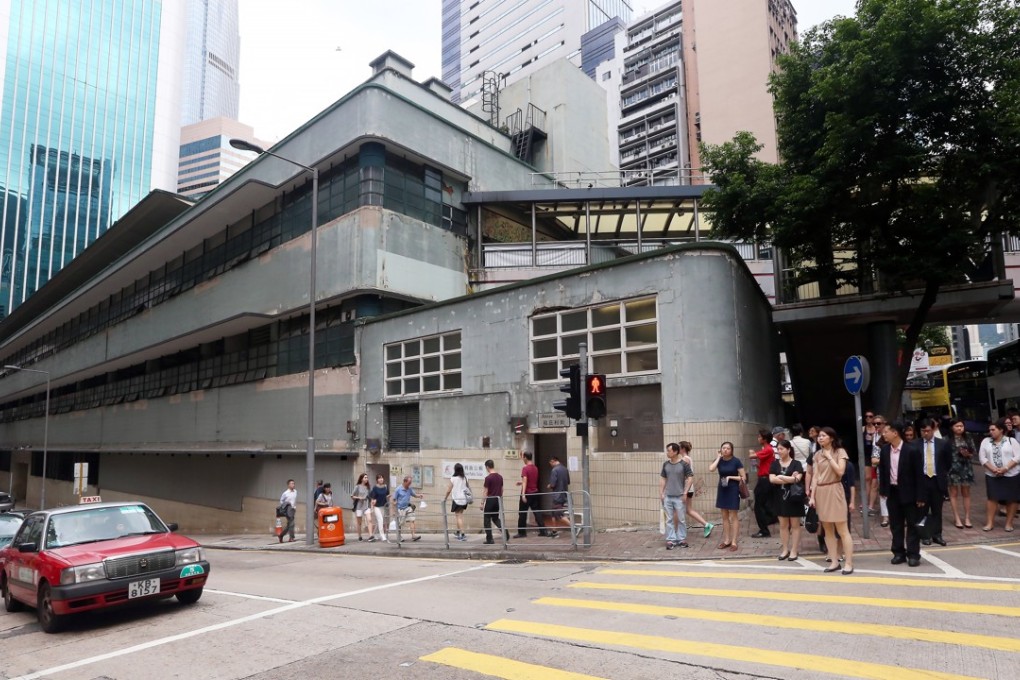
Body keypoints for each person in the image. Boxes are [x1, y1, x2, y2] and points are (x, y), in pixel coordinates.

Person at [878, 421, 924, 567]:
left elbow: (919, 475)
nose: (883, 434)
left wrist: (920, 496)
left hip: (910, 493)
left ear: (895, 433)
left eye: (886, 432)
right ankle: (898, 553)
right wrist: (883, 490)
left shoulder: (912, 450)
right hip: (893, 492)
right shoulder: (885, 450)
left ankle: (913, 554)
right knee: (896, 525)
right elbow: (883, 471)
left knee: (912, 524)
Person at [809, 427, 854, 575]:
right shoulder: (816, 454)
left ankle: (848, 563)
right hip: (821, 491)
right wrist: (812, 496)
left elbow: (840, 472)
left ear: (831, 438)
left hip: (835, 489)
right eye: (819, 436)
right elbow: (815, 476)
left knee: (842, 528)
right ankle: (834, 561)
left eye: (823, 436)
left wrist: (829, 457)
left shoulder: (840, 452)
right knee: (827, 529)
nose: (820, 438)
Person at [917, 417, 954, 546]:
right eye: (923, 431)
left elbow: (948, 462)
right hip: (922, 480)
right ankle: (925, 535)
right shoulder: (915, 444)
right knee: (923, 510)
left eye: (928, 431)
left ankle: (937, 534)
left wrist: (942, 474)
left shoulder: (942, 444)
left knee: (937, 509)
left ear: (933, 429)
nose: (925, 433)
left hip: (937, 480)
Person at [978, 419, 1019, 532]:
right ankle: (990, 523)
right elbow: (982, 458)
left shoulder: (1011, 441)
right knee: (992, 498)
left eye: (993, 429)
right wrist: (993, 469)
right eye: (989, 429)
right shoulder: (985, 441)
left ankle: (1009, 523)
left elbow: (1017, 457)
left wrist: (1005, 468)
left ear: (1001, 430)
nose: (990, 432)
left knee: (1012, 498)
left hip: (1011, 474)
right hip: (992, 474)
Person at [769, 440, 805, 560]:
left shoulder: (797, 464)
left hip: (794, 498)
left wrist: (782, 477)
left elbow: (798, 479)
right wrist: (790, 478)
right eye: (778, 449)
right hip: (779, 498)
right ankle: (785, 549)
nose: (779, 451)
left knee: (795, 525)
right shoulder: (774, 464)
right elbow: (772, 479)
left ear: (789, 450)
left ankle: (794, 550)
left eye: (782, 449)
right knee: (783, 525)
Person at [709, 441, 745, 552]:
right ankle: (726, 540)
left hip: (733, 489)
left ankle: (734, 541)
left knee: (733, 515)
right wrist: (718, 457)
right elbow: (711, 469)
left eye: (728, 448)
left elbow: (743, 477)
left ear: (731, 450)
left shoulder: (736, 461)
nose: (725, 450)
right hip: (722, 489)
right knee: (724, 516)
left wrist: (731, 477)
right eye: (723, 448)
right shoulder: (719, 461)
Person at [661, 443, 694, 550]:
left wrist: (685, 493)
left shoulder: (684, 464)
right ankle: (671, 540)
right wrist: (661, 493)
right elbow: (663, 479)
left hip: (680, 496)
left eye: (669, 451)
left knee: (681, 519)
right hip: (668, 496)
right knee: (669, 519)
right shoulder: (666, 464)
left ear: (675, 452)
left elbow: (690, 478)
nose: (667, 452)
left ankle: (681, 539)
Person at [947, 418, 977, 529]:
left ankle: (967, 517)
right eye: (957, 426)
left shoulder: (968, 437)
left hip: (966, 468)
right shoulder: (947, 439)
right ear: (952, 427)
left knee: (966, 493)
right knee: (953, 493)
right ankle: (957, 518)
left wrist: (967, 454)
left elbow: (973, 452)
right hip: (952, 469)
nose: (960, 428)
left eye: (961, 426)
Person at [679, 441, 713, 537]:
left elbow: (682, 474)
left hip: (685, 488)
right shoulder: (687, 458)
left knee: (681, 509)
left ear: (683, 449)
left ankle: (679, 531)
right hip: (688, 487)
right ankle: (706, 525)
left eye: (679, 447)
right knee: (688, 510)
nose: (677, 449)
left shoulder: (685, 459)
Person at [749, 429, 776, 538]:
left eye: (760, 437)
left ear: (764, 439)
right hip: (764, 478)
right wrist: (757, 466)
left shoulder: (768, 449)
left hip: (765, 480)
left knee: (758, 506)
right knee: (764, 503)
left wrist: (751, 452)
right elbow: (766, 465)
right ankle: (771, 519)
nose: (758, 438)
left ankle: (764, 530)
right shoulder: (767, 449)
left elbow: (752, 456)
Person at [515, 452, 548, 537]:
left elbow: (525, 480)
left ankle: (522, 533)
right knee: (537, 512)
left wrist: (523, 494)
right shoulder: (535, 468)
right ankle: (543, 531)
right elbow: (531, 480)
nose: (523, 459)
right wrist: (521, 482)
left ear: (525, 457)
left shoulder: (525, 468)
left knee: (522, 513)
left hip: (527, 493)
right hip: (535, 492)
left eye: (523, 457)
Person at [481, 459, 509, 544]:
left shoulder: (488, 478)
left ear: (487, 467)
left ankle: (489, 539)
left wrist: (482, 503)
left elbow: (485, 491)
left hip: (490, 500)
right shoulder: (500, 477)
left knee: (486, 520)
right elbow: (502, 489)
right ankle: (505, 532)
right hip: (498, 499)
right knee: (495, 518)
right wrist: (499, 498)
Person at [444, 463, 471, 541]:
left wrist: (445, 498)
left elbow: (449, 490)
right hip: (464, 499)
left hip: (457, 499)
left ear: (455, 470)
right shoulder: (465, 478)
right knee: (459, 516)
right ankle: (458, 531)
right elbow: (467, 487)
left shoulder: (453, 478)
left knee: (458, 516)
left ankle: (462, 533)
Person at [393, 475, 423, 541]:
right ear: (405, 482)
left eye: (410, 483)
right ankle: (399, 536)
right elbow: (394, 499)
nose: (410, 484)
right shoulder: (398, 489)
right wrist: (394, 509)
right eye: (409, 483)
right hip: (400, 509)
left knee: (412, 519)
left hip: (407, 507)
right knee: (400, 523)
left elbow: (414, 495)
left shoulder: (409, 489)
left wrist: (419, 495)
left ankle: (413, 535)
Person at [546, 456, 571, 537]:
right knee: (553, 513)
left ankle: (574, 527)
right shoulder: (565, 469)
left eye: (550, 463)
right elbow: (568, 482)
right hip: (564, 494)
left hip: (557, 495)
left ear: (553, 461)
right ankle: (554, 531)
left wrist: (549, 485)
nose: (551, 465)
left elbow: (553, 484)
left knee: (558, 513)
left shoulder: (554, 470)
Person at [351, 473, 374, 541]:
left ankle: (370, 536)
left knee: (369, 519)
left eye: (367, 477)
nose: (366, 479)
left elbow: (370, 497)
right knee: (359, 522)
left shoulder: (368, 487)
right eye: (365, 477)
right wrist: (359, 497)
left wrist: (372, 504)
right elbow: (352, 496)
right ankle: (359, 536)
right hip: (359, 506)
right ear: (361, 479)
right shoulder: (357, 487)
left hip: (366, 505)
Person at [369, 474, 389, 542]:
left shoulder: (385, 486)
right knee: (380, 520)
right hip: (376, 506)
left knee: (379, 521)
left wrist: (390, 497)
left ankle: (374, 534)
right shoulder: (375, 487)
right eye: (379, 478)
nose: (381, 479)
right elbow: (372, 497)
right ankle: (382, 535)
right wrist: (372, 507)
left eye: (382, 478)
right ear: (377, 480)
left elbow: (387, 495)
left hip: (383, 506)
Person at [278, 479, 297, 543]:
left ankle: (281, 535)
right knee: (292, 524)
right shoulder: (285, 493)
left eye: (293, 483)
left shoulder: (295, 491)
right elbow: (281, 501)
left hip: (293, 510)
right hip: (288, 510)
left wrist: (294, 507)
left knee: (289, 525)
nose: (293, 485)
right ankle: (291, 538)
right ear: (288, 485)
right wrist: (286, 503)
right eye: (291, 483)